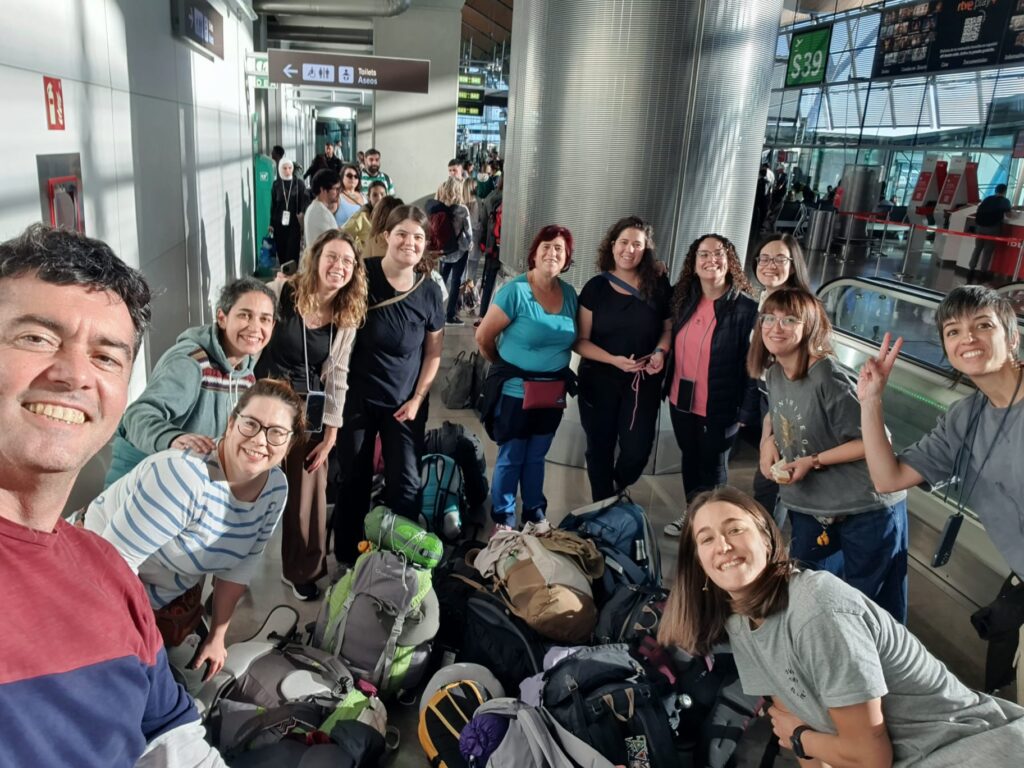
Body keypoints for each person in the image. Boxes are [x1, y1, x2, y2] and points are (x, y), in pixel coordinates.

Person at [0, 223, 224, 766]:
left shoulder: (106, 569)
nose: (74, 373)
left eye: (106, 356)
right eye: (36, 337)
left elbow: (170, 733)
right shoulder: (177, 475)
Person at [658, 486, 1024, 767]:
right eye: (706, 539)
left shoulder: (816, 608)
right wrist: (803, 739)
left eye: (734, 529)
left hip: (970, 750)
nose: (722, 545)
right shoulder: (740, 619)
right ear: (699, 564)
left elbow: (866, 755)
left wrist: (802, 739)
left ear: (768, 540)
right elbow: (794, 720)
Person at [859, 285, 1024, 699]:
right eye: (953, 331)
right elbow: (888, 479)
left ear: (1013, 336)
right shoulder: (966, 416)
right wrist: (871, 401)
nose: (967, 338)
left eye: (983, 325)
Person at [85, 380, 302, 680]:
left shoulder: (275, 487)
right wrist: (140, 647)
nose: (260, 441)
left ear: (290, 443)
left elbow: (242, 563)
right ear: (231, 422)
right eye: (250, 424)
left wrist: (217, 637)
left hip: (166, 593)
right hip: (92, 584)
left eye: (276, 432)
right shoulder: (183, 476)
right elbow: (110, 569)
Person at [749, 287, 909, 622]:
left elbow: (875, 440)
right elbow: (776, 412)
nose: (776, 327)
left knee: (870, 608)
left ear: (807, 326)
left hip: (866, 505)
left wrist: (813, 461)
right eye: (769, 318)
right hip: (813, 504)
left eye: (789, 319)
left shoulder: (827, 375)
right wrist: (768, 441)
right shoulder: (776, 371)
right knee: (811, 591)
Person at [256, 230, 367, 600]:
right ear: (316, 258)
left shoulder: (345, 315)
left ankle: (302, 567)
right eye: (332, 257)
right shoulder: (281, 293)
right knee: (242, 488)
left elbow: (338, 376)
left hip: (308, 408)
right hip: (264, 400)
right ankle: (223, 568)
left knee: (310, 487)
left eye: (348, 262)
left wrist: (332, 432)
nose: (339, 267)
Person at [332, 205, 444, 565]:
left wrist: (418, 398)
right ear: (385, 237)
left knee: (406, 484)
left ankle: (400, 556)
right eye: (402, 234)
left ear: (425, 245)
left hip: (404, 404)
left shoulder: (429, 292)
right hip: (358, 400)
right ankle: (349, 556)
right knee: (353, 480)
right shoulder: (361, 277)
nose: (409, 243)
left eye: (417, 237)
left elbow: (433, 353)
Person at [104, 277, 277, 487]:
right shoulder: (191, 363)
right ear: (222, 317)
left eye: (265, 319)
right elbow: (137, 416)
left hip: (184, 484)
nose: (255, 327)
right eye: (244, 315)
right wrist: (172, 439)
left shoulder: (246, 376)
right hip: (141, 483)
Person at [476, 225, 578, 530]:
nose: (552, 253)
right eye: (546, 246)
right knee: (512, 455)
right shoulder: (515, 291)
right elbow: (484, 338)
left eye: (559, 249)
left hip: (552, 393)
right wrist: (507, 368)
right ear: (534, 253)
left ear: (567, 258)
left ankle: (534, 511)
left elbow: (576, 338)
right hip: (515, 392)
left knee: (537, 456)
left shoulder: (570, 294)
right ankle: (503, 517)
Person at [663, 234, 759, 536]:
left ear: (730, 261)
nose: (711, 260)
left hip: (721, 405)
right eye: (703, 254)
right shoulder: (683, 299)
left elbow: (754, 365)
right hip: (682, 399)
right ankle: (693, 517)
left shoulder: (746, 309)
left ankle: (714, 526)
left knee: (714, 467)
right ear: (693, 263)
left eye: (718, 254)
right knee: (690, 459)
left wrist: (746, 410)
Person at [575, 216, 672, 501]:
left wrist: (660, 352)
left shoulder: (658, 286)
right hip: (598, 379)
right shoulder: (596, 288)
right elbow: (580, 341)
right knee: (599, 447)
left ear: (646, 250)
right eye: (624, 242)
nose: (629, 250)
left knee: (637, 449)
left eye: (637, 245)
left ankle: (614, 489)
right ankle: (602, 507)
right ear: (612, 245)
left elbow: (667, 329)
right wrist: (613, 359)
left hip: (643, 382)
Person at [749, 233, 812, 522]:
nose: (769, 265)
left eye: (779, 259)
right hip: (767, 394)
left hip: (789, 399)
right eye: (764, 258)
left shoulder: (800, 307)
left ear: (793, 265)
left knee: (773, 479)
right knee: (769, 474)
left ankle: (769, 546)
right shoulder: (765, 298)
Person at [427, 177, 473, 326]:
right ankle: (450, 315)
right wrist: (469, 244)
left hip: (444, 250)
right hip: (459, 250)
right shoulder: (462, 209)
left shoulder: (438, 208)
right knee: (455, 282)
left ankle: (433, 310)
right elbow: (469, 232)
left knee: (441, 279)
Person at [968, 184, 1014, 281]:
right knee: (987, 251)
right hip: (992, 228)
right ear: (1005, 191)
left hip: (980, 227)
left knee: (977, 249)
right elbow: (1009, 215)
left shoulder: (988, 199)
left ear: (995, 190)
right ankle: (982, 273)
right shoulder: (1005, 201)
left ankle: (971, 270)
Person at [271, 158, 307, 266]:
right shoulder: (276, 184)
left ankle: (292, 277)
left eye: (290, 168)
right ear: (280, 169)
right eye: (284, 168)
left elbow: (304, 202)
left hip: (294, 223)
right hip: (279, 224)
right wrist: (271, 223)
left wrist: (302, 217)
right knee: (281, 252)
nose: (287, 171)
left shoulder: (299, 184)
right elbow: (273, 205)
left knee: (292, 252)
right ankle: (284, 276)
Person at [304, 169, 341, 247]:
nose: (339, 193)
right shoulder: (322, 213)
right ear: (323, 190)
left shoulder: (313, 208)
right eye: (336, 189)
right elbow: (335, 243)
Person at [334, 162, 366, 227]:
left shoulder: (364, 196)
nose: (353, 178)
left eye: (356, 176)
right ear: (342, 177)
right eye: (349, 176)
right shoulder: (337, 197)